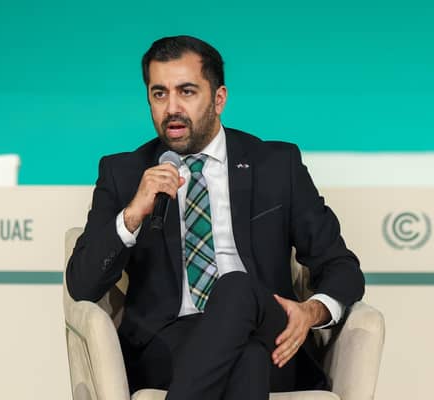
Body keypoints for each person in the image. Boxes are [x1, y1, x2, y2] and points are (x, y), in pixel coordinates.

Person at [66, 35, 364, 400]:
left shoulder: (275, 165)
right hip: (169, 343)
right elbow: (81, 285)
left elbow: (341, 266)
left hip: (274, 336)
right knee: (247, 361)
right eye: (159, 94)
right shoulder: (125, 173)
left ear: (219, 98)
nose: (172, 108)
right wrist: (131, 214)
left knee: (236, 286)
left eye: (187, 92)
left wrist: (312, 311)